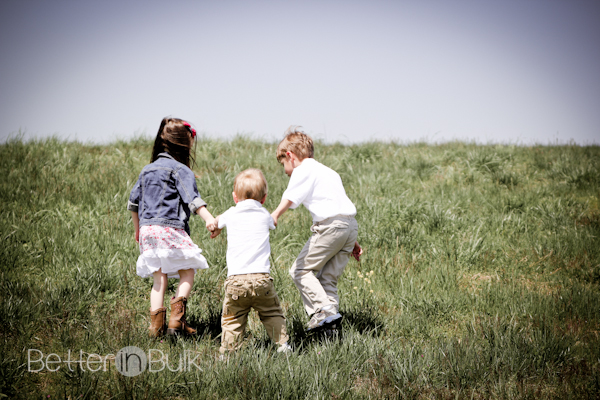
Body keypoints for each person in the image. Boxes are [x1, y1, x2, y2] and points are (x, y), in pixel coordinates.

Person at [128, 117, 217, 338]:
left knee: (159, 279)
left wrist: (138, 229)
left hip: (148, 230)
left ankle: (155, 329)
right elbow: (192, 199)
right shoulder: (180, 169)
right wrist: (208, 218)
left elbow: (133, 203)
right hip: (168, 228)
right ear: (183, 145)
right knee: (188, 271)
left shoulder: (146, 170)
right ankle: (176, 321)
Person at [271, 126, 362, 332]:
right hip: (348, 227)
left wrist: (275, 214)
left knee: (300, 270)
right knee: (327, 279)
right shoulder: (329, 171)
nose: (285, 170)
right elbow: (340, 206)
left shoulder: (303, 169)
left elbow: (291, 196)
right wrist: (352, 241)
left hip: (330, 227)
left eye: (283, 164)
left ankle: (323, 311)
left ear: (290, 156)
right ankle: (330, 331)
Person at [210, 168, 292, 354]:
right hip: (262, 280)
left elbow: (216, 222)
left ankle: (228, 353)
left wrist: (215, 226)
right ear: (263, 199)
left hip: (236, 281)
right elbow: (273, 222)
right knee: (271, 313)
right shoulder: (264, 215)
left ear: (234, 197)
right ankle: (282, 346)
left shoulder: (230, 214)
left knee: (233, 319)